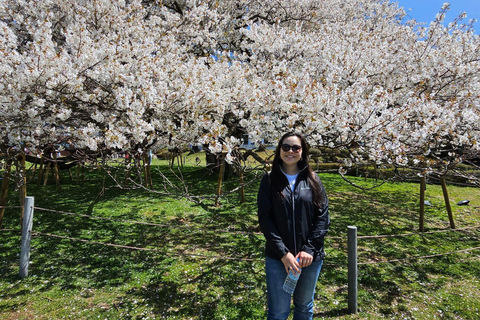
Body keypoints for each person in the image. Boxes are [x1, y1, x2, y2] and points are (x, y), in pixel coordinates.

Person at [257, 132, 330, 320]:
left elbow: (322, 217)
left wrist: (309, 250)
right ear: (279, 150)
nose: (290, 151)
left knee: (305, 307)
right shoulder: (269, 180)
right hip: (278, 258)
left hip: (309, 259)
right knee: (278, 312)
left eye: (296, 148)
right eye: (286, 147)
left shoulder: (313, 179)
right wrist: (284, 254)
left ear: (302, 151)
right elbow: (265, 219)